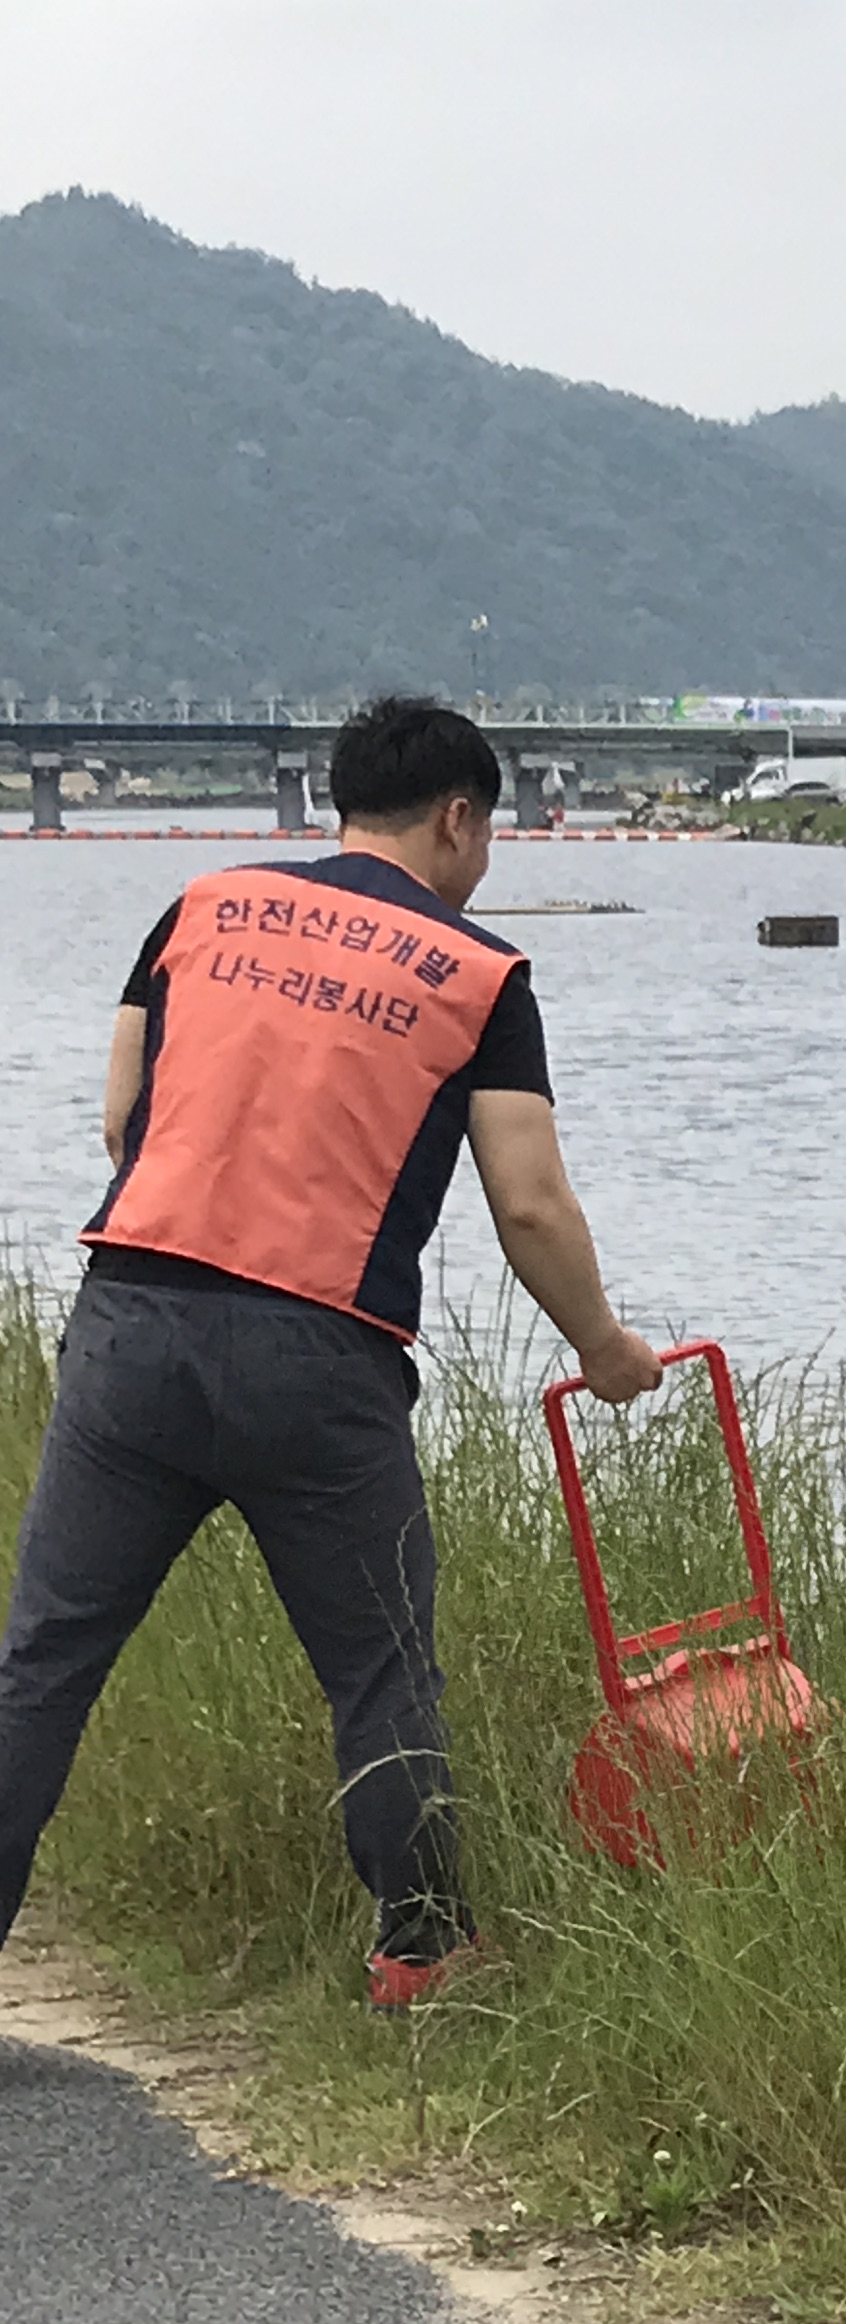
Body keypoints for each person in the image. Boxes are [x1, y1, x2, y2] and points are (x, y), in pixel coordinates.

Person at [0, 697, 661, 2009]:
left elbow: (125, 1119)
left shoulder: (200, 909)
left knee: (44, 1664)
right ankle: (422, 1953)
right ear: (458, 818)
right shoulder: (478, 972)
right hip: (317, 1355)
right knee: (380, 1672)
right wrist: (606, 1347)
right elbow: (530, 1203)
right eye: (491, 835)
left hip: (131, 1324)